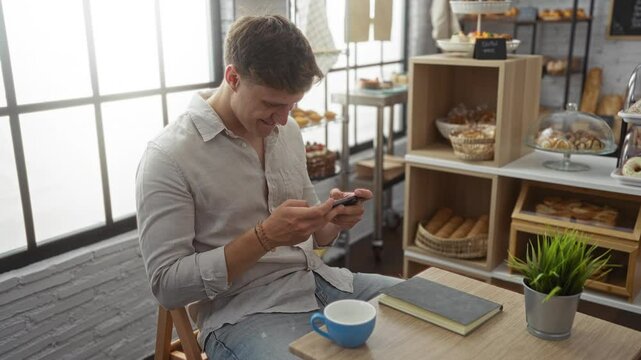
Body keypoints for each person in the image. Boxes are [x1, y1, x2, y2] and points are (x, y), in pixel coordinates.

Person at [136, 14, 401, 360]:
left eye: (291, 106)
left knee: (432, 309)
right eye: (272, 105)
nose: (282, 119)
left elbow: (316, 236)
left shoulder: (286, 130)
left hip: (321, 282)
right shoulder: (169, 157)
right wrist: (263, 237)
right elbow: (167, 287)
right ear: (233, 77)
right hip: (244, 312)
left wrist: (331, 221)